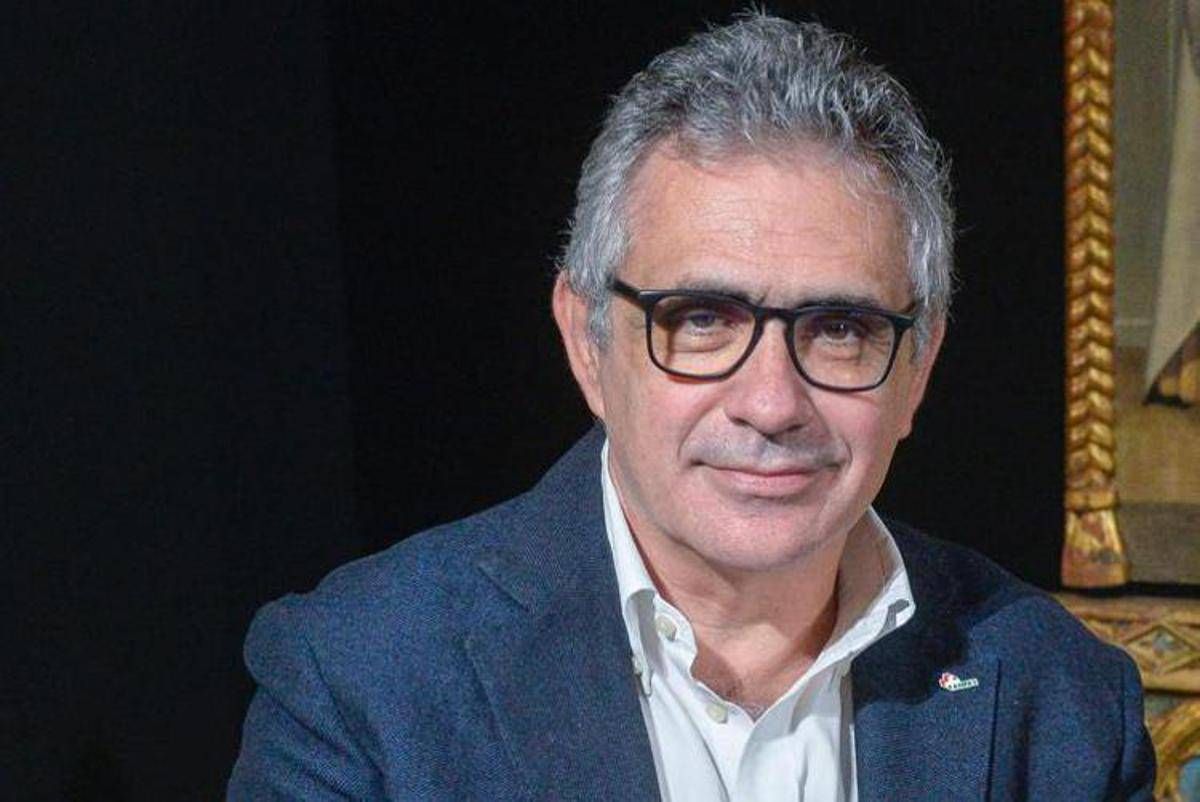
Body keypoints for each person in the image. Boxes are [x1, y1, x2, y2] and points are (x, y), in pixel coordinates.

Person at [229, 13, 1155, 801]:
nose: (771, 403)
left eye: (839, 328)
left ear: (918, 368)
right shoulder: (364, 684)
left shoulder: (1060, 702)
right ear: (587, 342)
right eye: (703, 319)